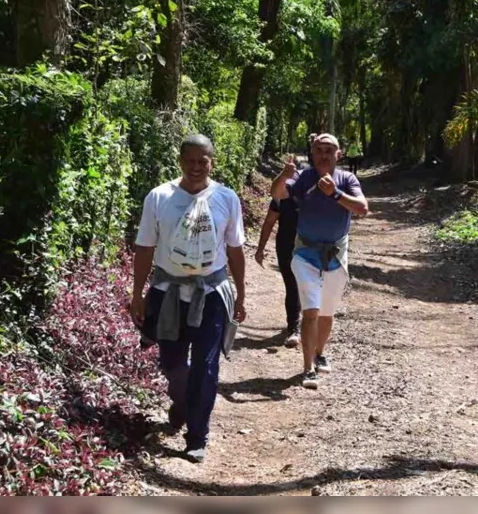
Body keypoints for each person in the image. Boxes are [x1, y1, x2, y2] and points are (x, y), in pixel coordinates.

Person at [130, 134, 246, 464]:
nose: (196, 167)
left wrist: (241, 293)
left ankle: (198, 436)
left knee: (206, 368)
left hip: (211, 293)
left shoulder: (226, 198)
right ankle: (181, 402)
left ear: (212, 161)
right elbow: (145, 248)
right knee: (172, 363)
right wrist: (138, 294)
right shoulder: (160, 197)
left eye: (203, 161)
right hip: (168, 294)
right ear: (180, 161)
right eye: (190, 160)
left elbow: (235, 250)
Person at [270, 133, 369, 389]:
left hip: (336, 252)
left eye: (329, 150)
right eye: (318, 149)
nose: (323, 154)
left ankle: (320, 352)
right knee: (310, 311)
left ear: (339, 154)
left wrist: (335, 194)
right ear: (312, 153)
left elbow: (362, 208)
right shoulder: (302, 177)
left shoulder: (347, 179)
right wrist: (284, 175)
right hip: (305, 253)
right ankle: (307, 369)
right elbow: (278, 193)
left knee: (327, 311)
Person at [254, 187, 301, 348]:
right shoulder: (281, 197)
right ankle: (294, 328)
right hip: (286, 248)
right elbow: (269, 222)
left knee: (311, 286)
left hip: (312, 248)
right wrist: (260, 249)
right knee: (292, 286)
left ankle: (310, 324)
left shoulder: (316, 195)